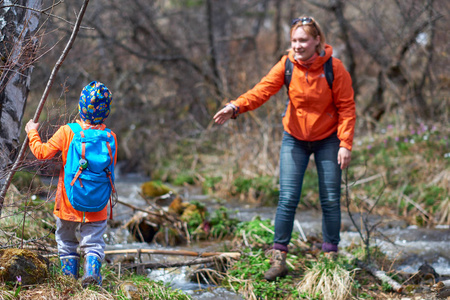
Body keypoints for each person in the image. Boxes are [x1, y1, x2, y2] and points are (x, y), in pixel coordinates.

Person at [213, 16, 356, 281]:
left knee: (330, 199)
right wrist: (235, 107)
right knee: (288, 198)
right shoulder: (287, 64)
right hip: (295, 138)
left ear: (317, 41)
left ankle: (330, 258)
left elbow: (347, 108)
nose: (298, 46)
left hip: (328, 139)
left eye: (303, 40)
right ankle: (278, 258)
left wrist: (345, 143)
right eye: (294, 41)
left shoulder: (335, 69)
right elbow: (262, 91)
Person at [25, 81, 117, 287]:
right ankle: (91, 276)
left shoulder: (68, 131)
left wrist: (32, 131)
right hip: (99, 202)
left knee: (66, 241)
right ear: (106, 112)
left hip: (68, 201)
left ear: (81, 106)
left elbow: (41, 153)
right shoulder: (110, 137)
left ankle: (68, 279)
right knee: (94, 243)